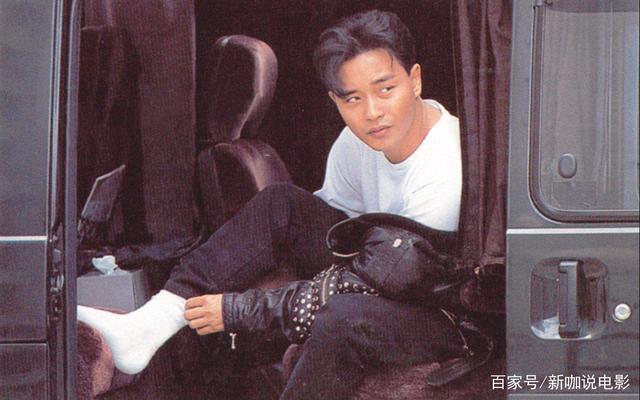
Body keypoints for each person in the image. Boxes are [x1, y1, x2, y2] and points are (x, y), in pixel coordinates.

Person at [78, 9, 464, 399]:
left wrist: (239, 310)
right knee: (282, 204)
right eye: (353, 98)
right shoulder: (356, 141)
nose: (372, 112)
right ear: (335, 100)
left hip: (438, 308)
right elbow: (334, 236)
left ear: (415, 80)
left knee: (344, 316)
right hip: (382, 267)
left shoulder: (447, 163)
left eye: (386, 90)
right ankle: (152, 323)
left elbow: (384, 283)